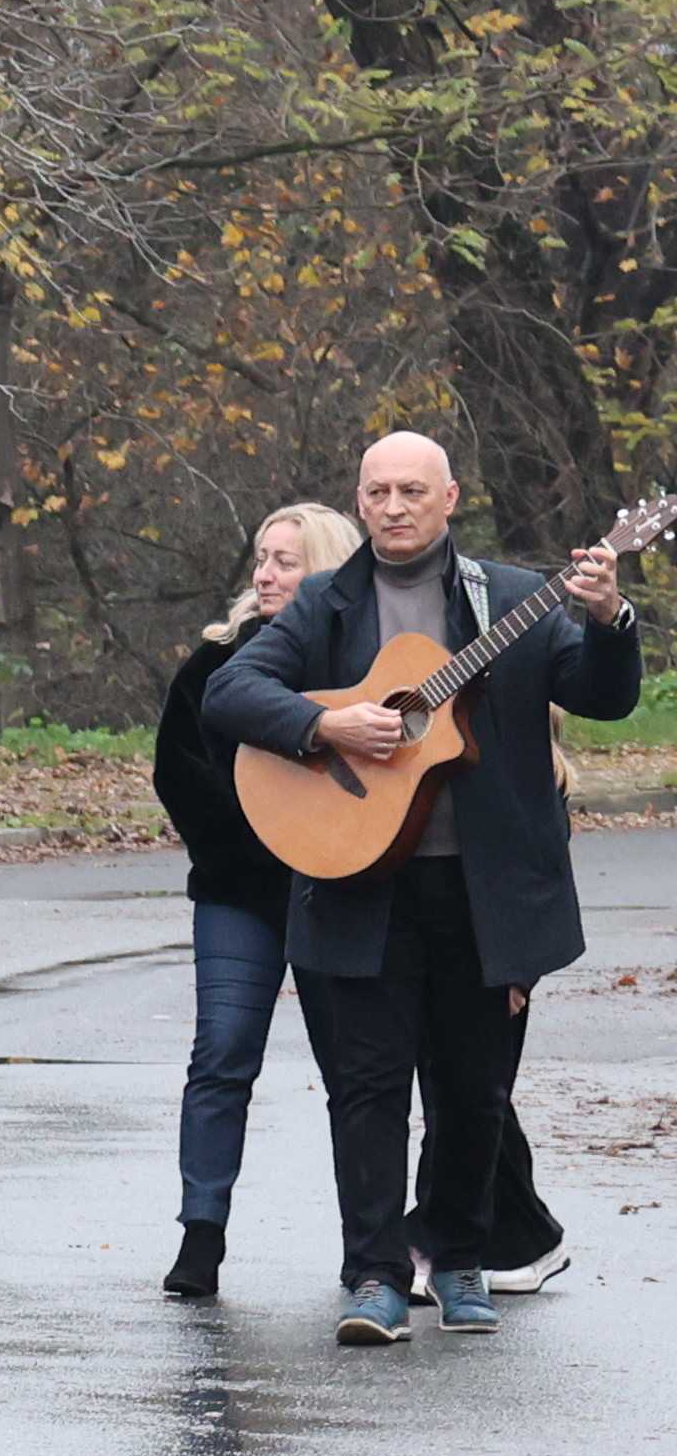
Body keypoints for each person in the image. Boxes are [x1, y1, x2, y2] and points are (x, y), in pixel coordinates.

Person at [203, 430, 644, 1340]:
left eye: (412, 490)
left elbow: (604, 697)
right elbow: (231, 692)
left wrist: (608, 619)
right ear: (359, 502)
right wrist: (327, 728)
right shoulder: (325, 602)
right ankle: (372, 1276)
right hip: (361, 887)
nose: (394, 506)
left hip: (486, 893)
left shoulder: (511, 598)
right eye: (378, 491)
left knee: (474, 1091)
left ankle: (460, 1257)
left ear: (450, 499)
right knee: (367, 1091)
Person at [155, 503, 355, 1303]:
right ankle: (201, 1234)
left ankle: (370, 1246)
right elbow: (179, 775)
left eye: (286, 562)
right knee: (222, 1054)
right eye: (262, 560)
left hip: (342, 889)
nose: (265, 575)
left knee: (357, 1073)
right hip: (238, 891)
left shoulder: (366, 665)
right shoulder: (216, 665)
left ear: (328, 571)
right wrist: (268, 839)